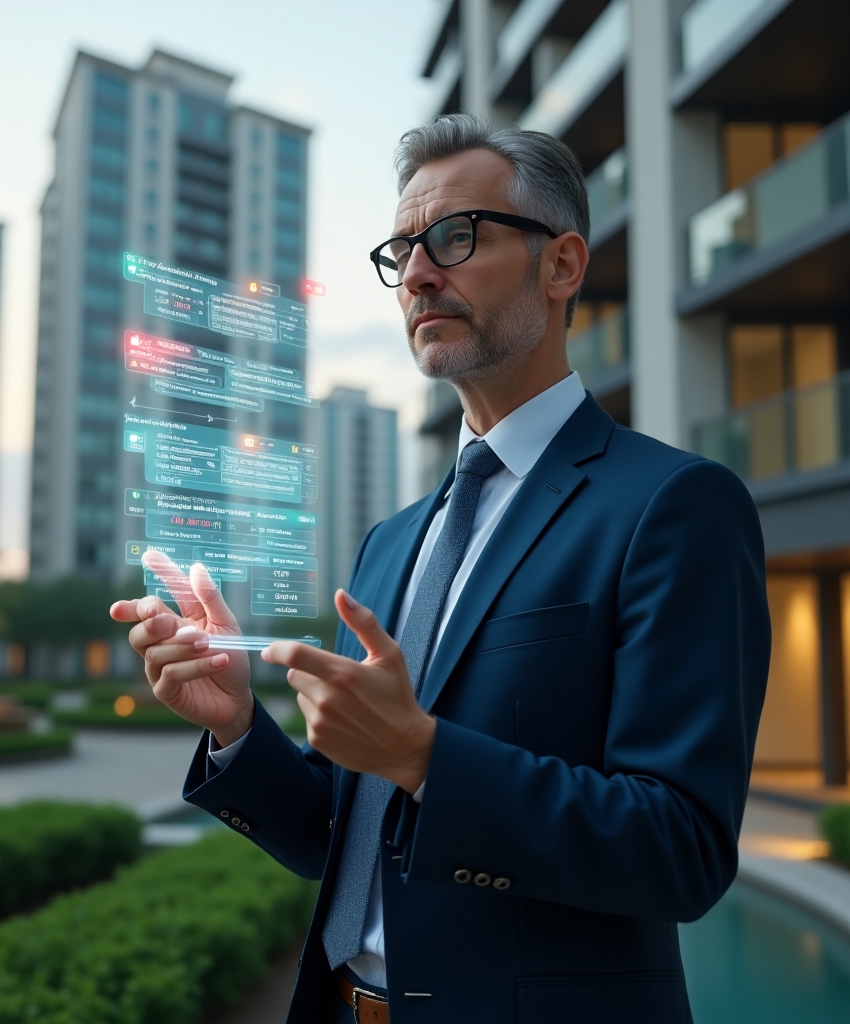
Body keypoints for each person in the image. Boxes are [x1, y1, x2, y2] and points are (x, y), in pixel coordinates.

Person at [111, 113, 770, 1024]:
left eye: (455, 237)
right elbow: (339, 839)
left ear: (563, 264)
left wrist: (426, 757)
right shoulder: (390, 542)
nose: (417, 273)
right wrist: (236, 726)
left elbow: (682, 848)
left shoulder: (673, 505)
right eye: (401, 251)